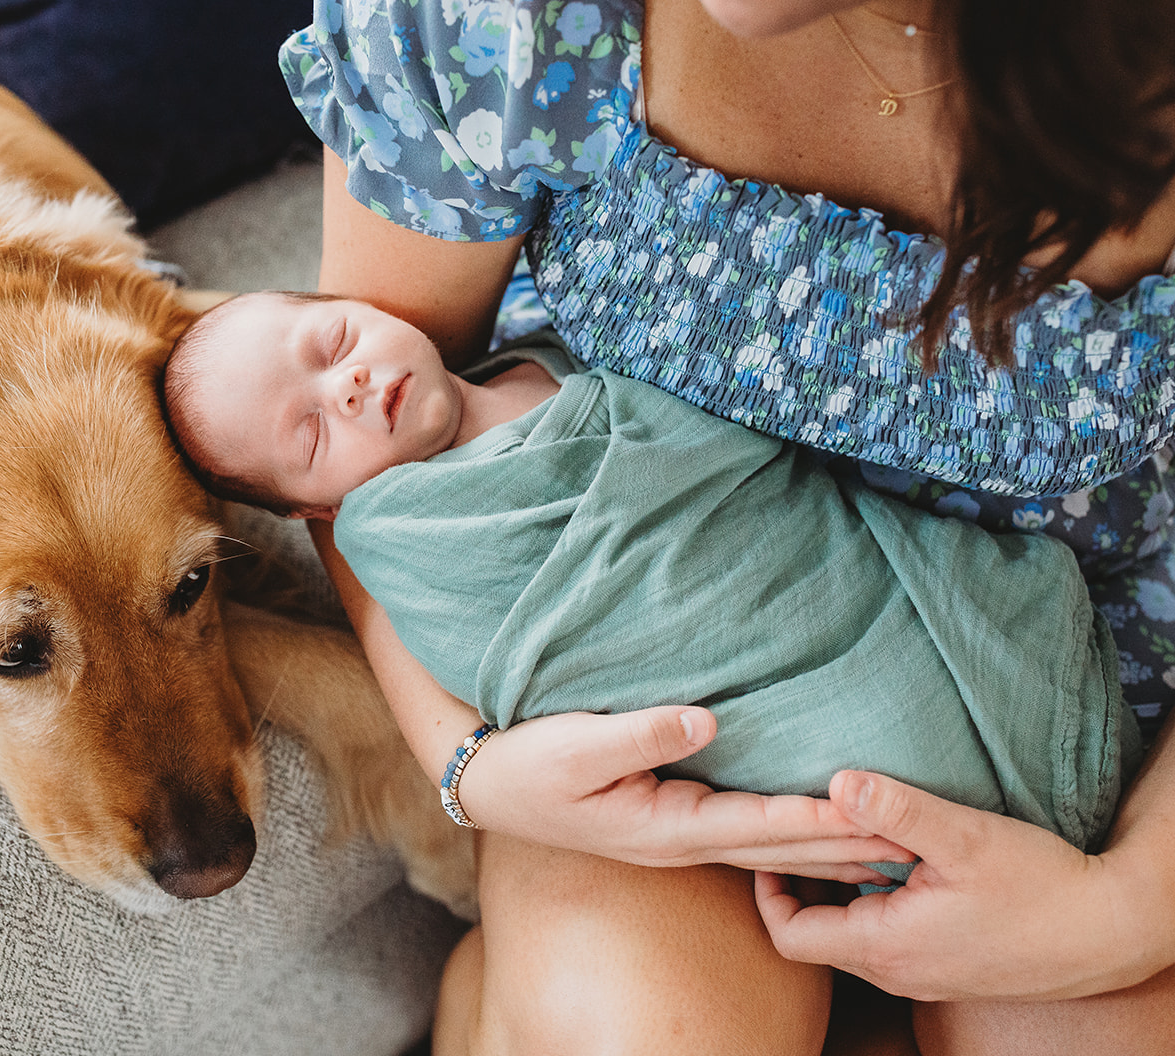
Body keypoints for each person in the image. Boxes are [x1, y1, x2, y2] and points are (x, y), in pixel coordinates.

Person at [272, 0, 1175, 1056]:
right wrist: (466, 759)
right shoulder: (499, 18)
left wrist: (1122, 905)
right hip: (653, 655)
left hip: (1083, 709)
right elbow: (352, 467)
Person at [163, 288, 1136, 871]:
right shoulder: (421, 542)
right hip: (789, 709)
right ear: (317, 514)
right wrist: (479, 772)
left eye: (332, 341)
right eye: (309, 432)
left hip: (871, 587)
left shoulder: (540, 344)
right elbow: (526, 664)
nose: (347, 386)